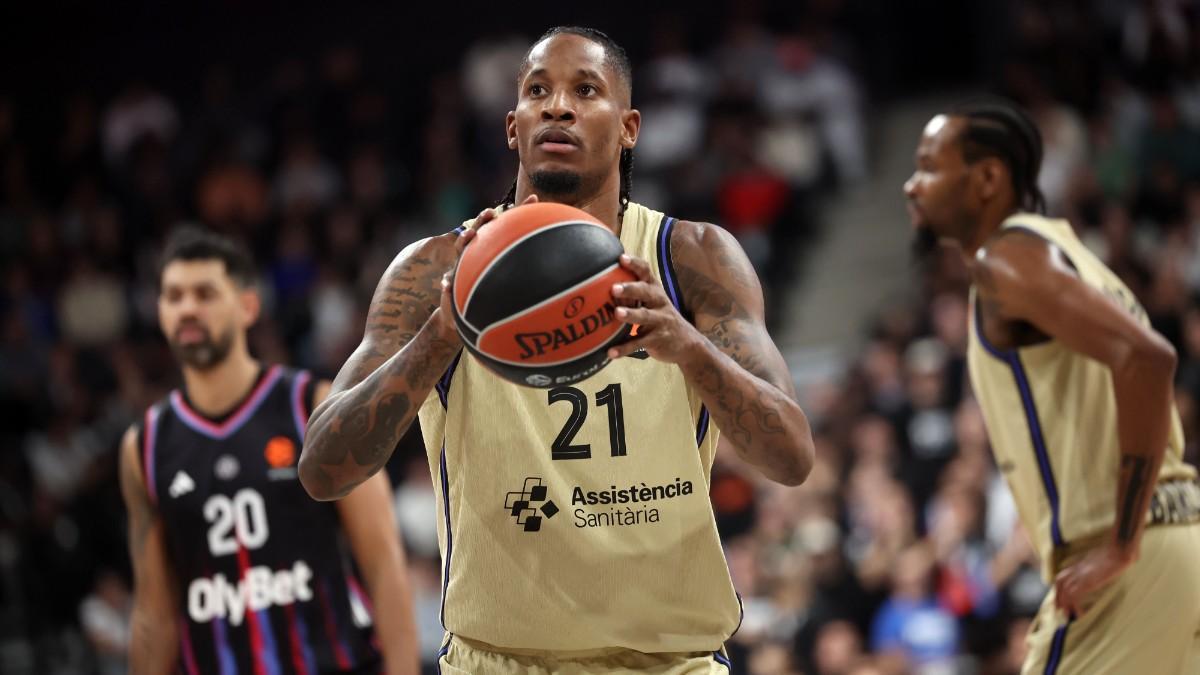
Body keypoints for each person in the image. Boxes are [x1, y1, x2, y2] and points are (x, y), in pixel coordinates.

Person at [300, 26, 815, 674]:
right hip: (496, 660)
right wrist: (438, 337)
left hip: (668, 661)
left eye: (585, 89)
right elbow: (322, 469)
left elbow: (792, 455)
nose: (557, 105)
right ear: (512, 126)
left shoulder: (689, 259)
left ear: (629, 127)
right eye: (537, 91)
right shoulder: (436, 267)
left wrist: (689, 349)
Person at [903, 99, 1200, 674]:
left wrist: (1121, 544)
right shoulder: (1066, 253)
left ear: (988, 178)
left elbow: (1148, 359)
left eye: (929, 166)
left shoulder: (1008, 262)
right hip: (1179, 538)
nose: (912, 186)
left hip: (1128, 563)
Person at [120, 227, 419, 674]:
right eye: (173, 295)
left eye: (204, 293)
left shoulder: (312, 407)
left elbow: (384, 565)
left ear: (248, 305)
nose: (187, 309)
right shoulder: (144, 445)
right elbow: (154, 615)